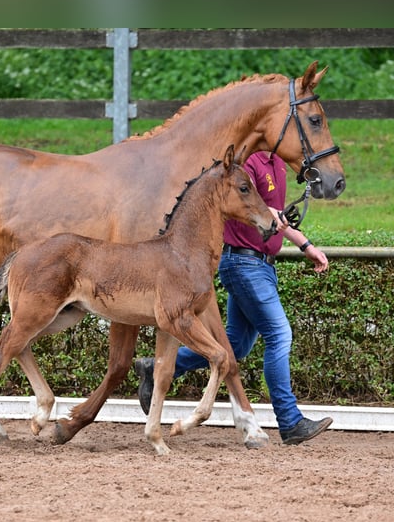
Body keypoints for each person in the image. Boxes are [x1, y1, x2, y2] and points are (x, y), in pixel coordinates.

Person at [135, 151, 333, 445]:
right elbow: (247, 206)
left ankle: (157, 368)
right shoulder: (251, 164)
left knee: (236, 345)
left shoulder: (277, 164)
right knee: (280, 335)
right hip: (245, 263)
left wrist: (306, 246)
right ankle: (290, 421)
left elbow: (273, 217)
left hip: (262, 265)